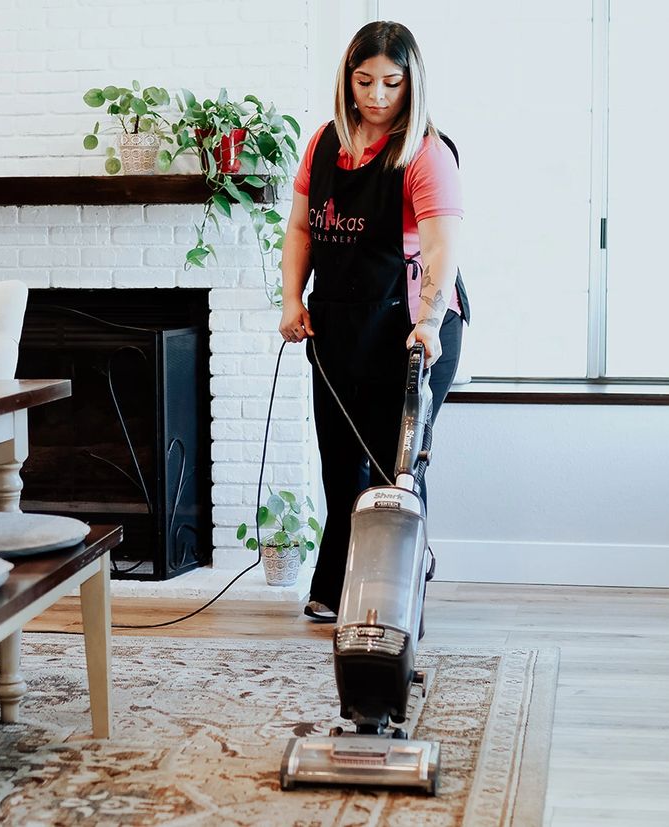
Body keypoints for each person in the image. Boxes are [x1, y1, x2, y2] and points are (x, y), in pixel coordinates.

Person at [278, 20, 467, 622]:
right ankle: (337, 585)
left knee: (395, 468)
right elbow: (303, 228)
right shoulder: (324, 145)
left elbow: (440, 248)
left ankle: (397, 590)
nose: (378, 96)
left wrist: (431, 323)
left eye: (391, 82)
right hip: (339, 318)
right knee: (340, 462)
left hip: (414, 322)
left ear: (412, 84)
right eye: (364, 81)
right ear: (346, 79)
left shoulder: (425, 153)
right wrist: (292, 300)